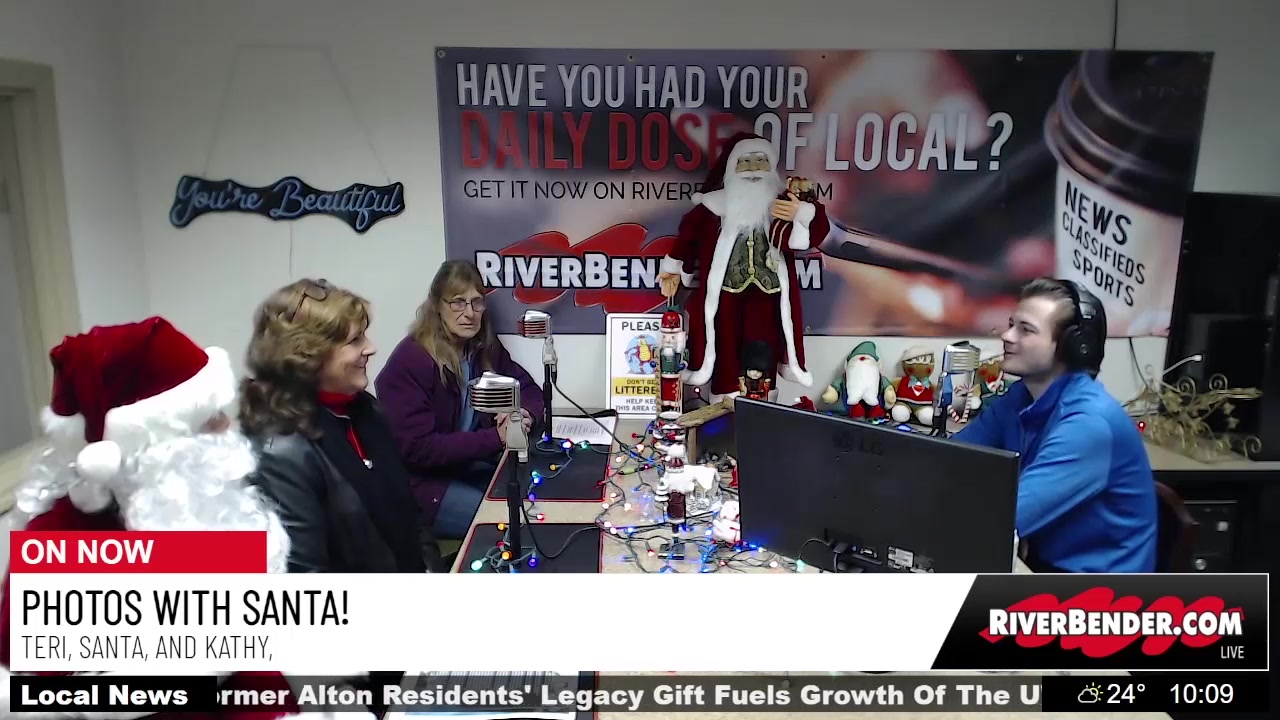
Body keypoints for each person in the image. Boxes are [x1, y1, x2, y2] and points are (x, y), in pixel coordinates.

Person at [0, 316, 351, 720]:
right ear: (148, 447)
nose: (227, 427)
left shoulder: (194, 508)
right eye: (208, 419)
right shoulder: (60, 543)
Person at [239, 278, 445, 574]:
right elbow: (305, 575)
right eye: (354, 340)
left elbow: (411, 516)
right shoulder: (280, 450)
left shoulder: (366, 409)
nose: (371, 348)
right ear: (308, 354)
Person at [954, 278, 1157, 573]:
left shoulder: (1089, 424)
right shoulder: (1020, 396)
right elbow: (952, 460)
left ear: (1070, 347)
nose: (1007, 336)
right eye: (1011, 324)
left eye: (1026, 329)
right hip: (1040, 562)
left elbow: (1003, 517)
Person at [376, 260, 543, 539]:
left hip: (465, 467)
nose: (469, 313)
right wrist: (496, 437)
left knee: (534, 500)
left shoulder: (482, 349)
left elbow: (529, 389)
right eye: (457, 302)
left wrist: (523, 413)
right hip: (422, 486)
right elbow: (418, 448)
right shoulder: (411, 360)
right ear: (436, 305)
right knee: (512, 523)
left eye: (476, 302)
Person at [657, 131, 831, 400]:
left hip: (769, 294)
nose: (753, 170)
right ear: (732, 167)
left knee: (765, 348)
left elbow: (818, 231)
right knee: (725, 347)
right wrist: (672, 268)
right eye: (745, 162)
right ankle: (724, 402)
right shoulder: (713, 205)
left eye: (760, 162)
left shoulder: (785, 203)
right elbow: (688, 236)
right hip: (726, 293)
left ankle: (763, 402)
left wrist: (803, 213)